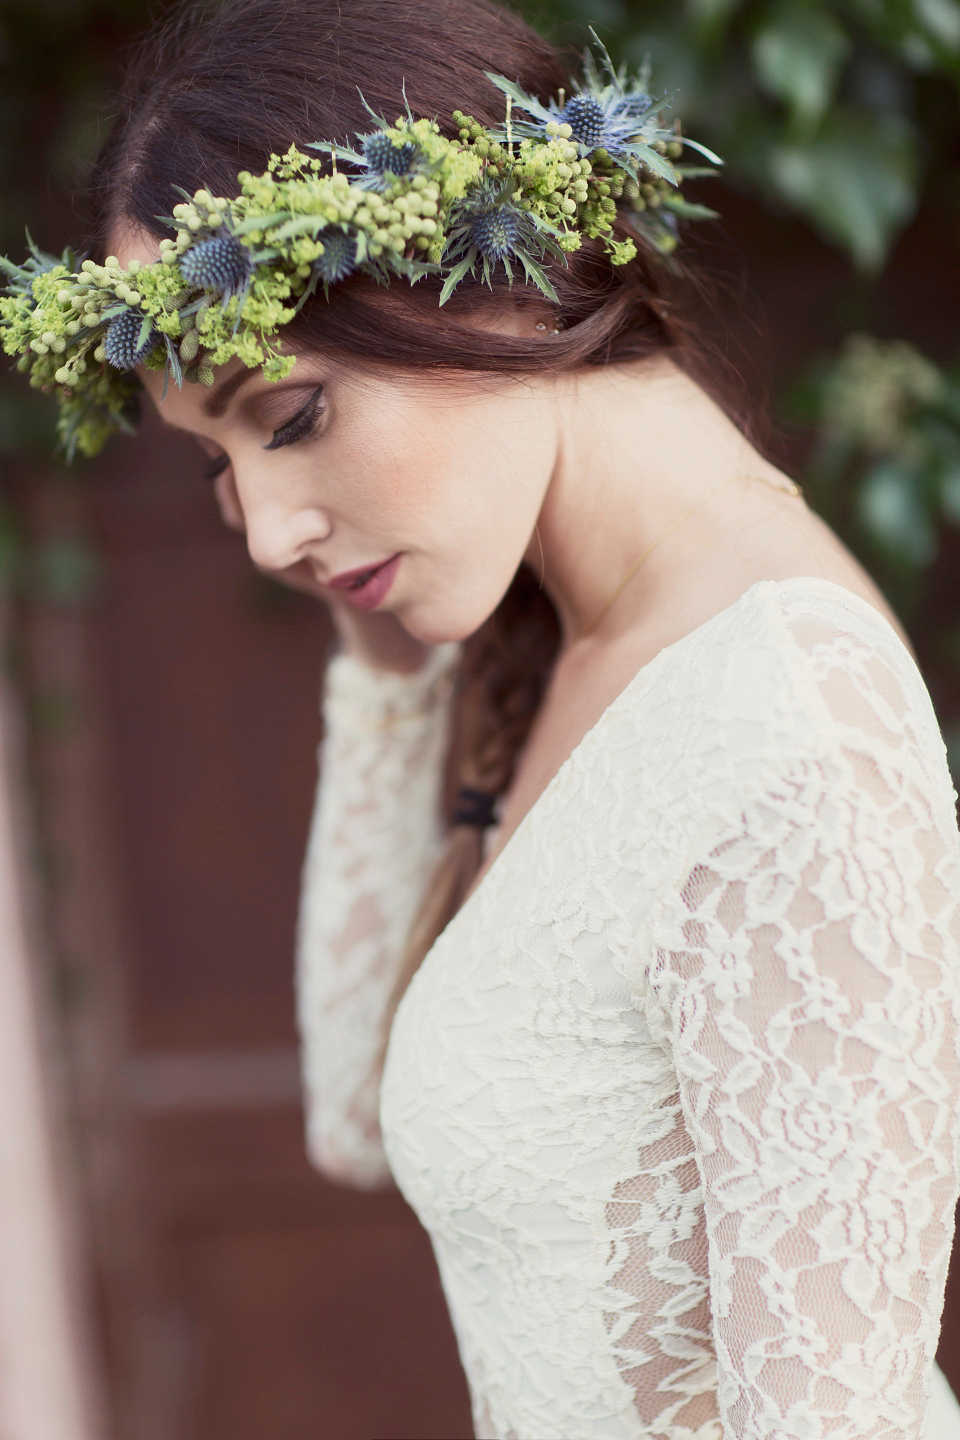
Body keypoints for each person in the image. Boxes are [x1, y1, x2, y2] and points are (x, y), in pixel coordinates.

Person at [3, 0, 960, 1433]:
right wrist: (380, 650)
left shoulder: (782, 727)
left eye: (292, 415)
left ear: (493, 278)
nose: (261, 534)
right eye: (216, 465)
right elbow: (350, 1111)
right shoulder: (557, 647)